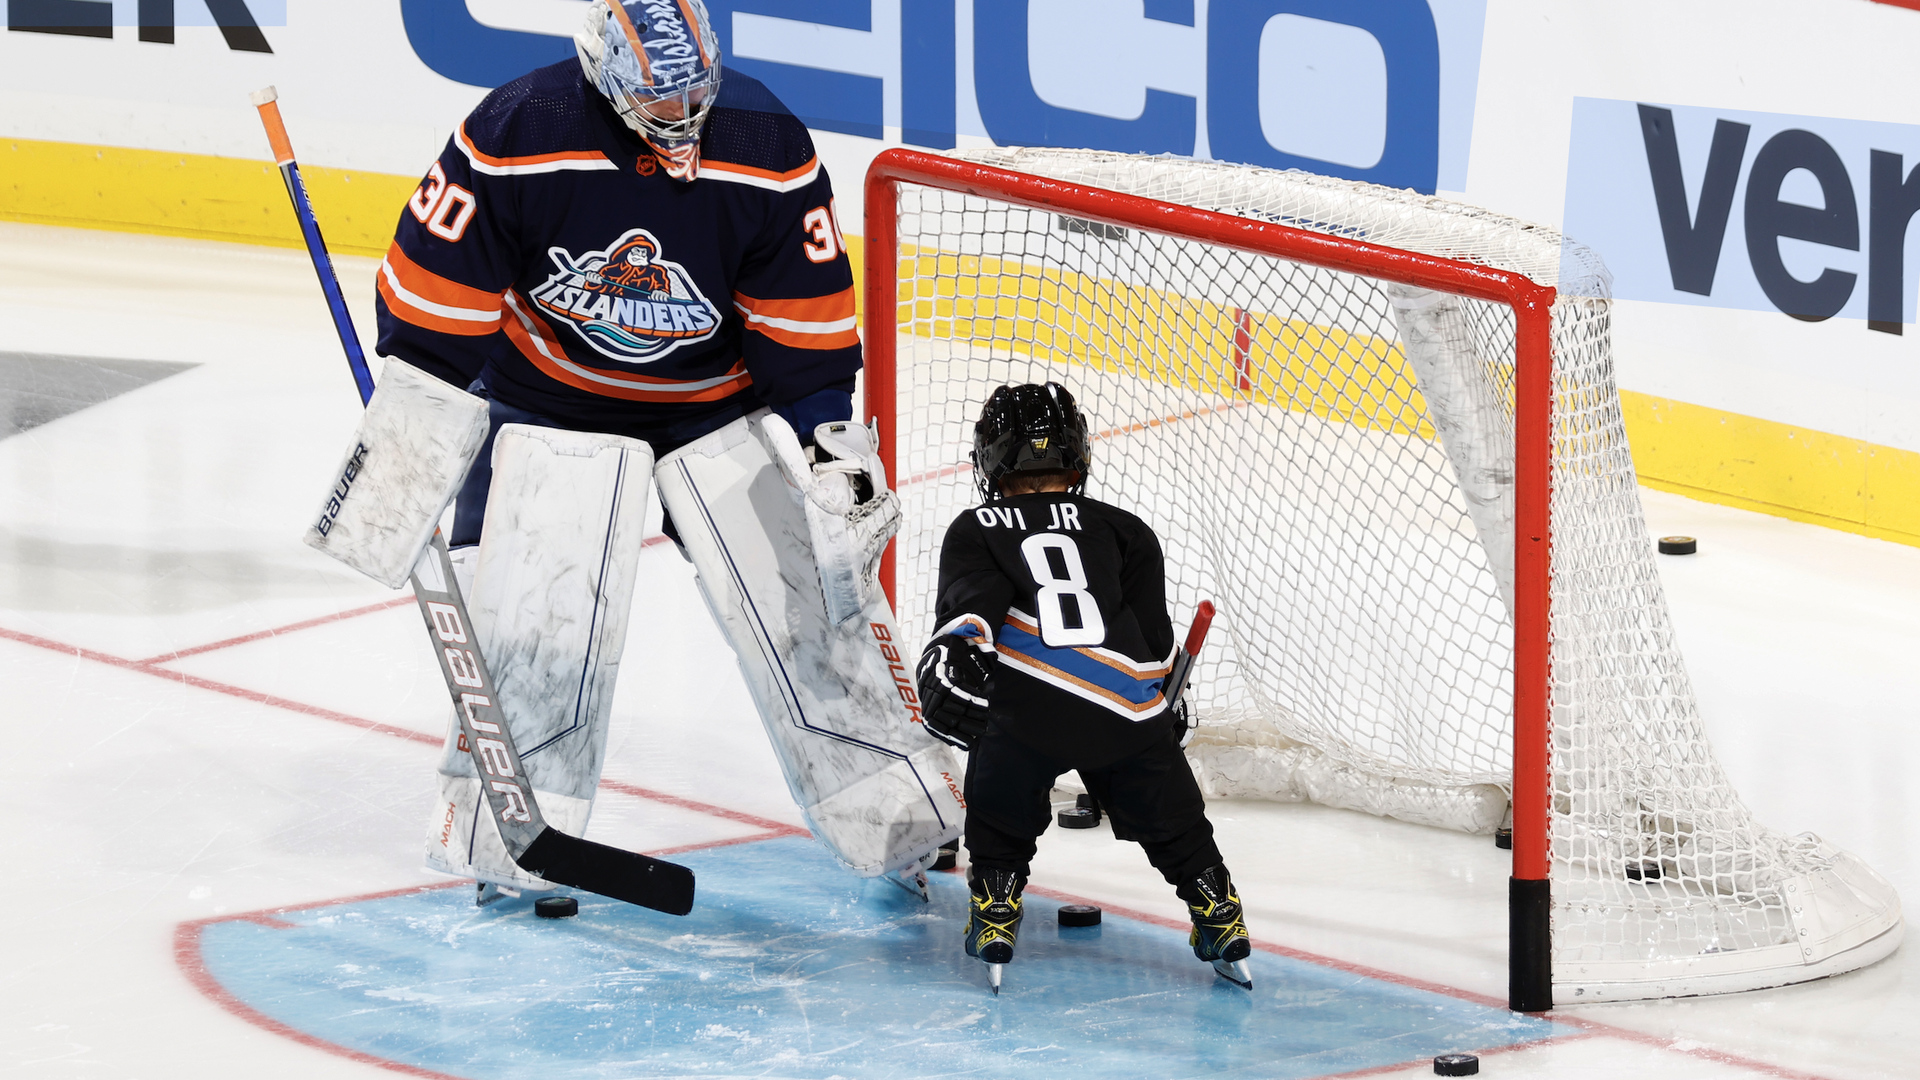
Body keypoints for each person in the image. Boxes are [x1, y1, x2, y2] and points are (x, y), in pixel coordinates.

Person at [362, 0, 961, 903]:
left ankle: (900, 815)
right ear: (604, 78)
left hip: (711, 409)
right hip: (546, 402)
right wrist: (414, 428)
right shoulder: (520, 128)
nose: (681, 122)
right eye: (657, 102)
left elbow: (803, 331)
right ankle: (512, 836)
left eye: (695, 100)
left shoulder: (766, 144)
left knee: (806, 599)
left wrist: (828, 444)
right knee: (535, 622)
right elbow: (435, 299)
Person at [915, 382, 1253, 993]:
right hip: (1121, 704)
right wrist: (1158, 715)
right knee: (1171, 814)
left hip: (1029, 706)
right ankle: (1219, 914)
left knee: (1001, 778)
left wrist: (954, 654)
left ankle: (995, 913)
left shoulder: (976, 527)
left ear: (990, 456)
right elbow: (1152, 641)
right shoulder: (1126, 529)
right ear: (1077, 453)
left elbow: (972, 618)